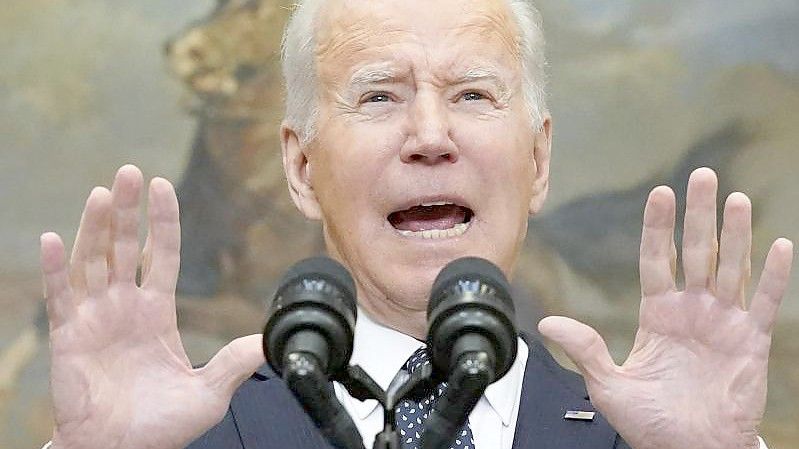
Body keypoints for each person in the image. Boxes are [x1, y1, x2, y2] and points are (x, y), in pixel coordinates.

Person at [38, 0, 794, 448]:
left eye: (471, 94)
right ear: (302, 169)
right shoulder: (198, 435)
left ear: (536, 161)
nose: (430, 135)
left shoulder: (637, 437)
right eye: (377, 97)